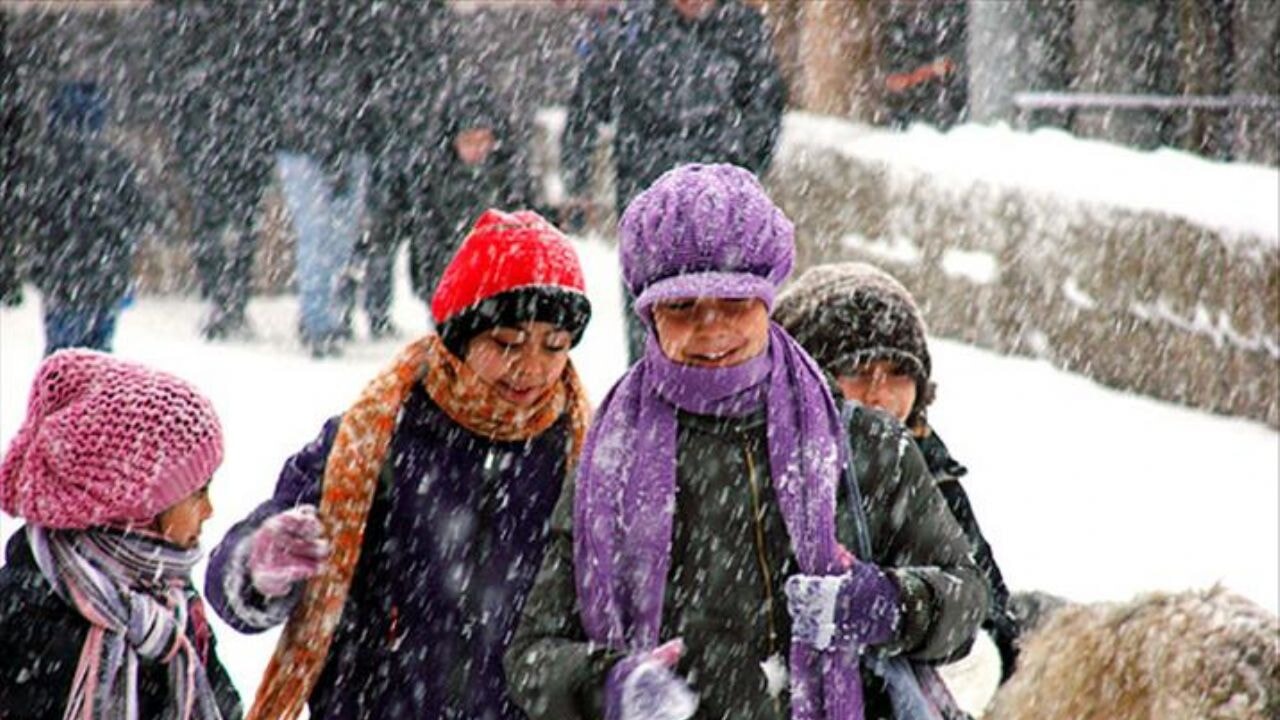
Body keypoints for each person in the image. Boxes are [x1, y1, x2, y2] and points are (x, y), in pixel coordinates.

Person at [505, 164, 986, 720]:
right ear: (649, 314)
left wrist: (888, 605)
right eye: (682, 307)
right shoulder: (611, 460)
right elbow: (532, 655)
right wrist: (610, 684)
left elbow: (968, 602)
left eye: (734, 303)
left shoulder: (862, 443)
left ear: (767, 300)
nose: (711, 329)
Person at [205, 209, 593, 719]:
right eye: (507, 343)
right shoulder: (371, 438)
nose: (533, 367)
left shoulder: (581, 454)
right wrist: (259, 562)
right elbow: (229, 586)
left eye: (556, 346)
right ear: (459, 338)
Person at [773, 261, 1022, 684]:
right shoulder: (769, 464)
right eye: (855, 370)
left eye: (898, 374)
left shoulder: (931, 472)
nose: (879, 394)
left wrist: (898, 609)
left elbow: (987, 612)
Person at [0, 350, 242, 719]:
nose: (210, 511)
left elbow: (220, 701)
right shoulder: (24, 612)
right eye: (198, 493)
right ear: (137, 504)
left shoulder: (174, 602)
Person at [561, 0, 786, 362]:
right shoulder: (631, 27)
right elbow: (586, 104)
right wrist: (577, 181)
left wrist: (745, 170)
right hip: (646, 193)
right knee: (651, 309)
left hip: (721, 202)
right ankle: (651, 389)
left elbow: (766, 102)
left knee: (724, 309)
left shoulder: (741, 27)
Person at [164, 1, 276, 341]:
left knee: (222, 227)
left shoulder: (199, 28)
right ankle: (226, 301)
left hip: (227, 140)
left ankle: (225, 301)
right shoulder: (243, 25)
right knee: (227, 227)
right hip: (227, 138)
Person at [26, 81, 149, 355]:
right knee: (99, 361)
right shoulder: (115, 164)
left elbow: (37, 218)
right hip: (105, 280)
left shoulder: (48, 165)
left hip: (62, 279)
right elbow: (138, 217)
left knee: (62, 360)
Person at [357, 0, 454, 339]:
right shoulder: (427, 19)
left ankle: (383, 309)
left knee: (395, 234)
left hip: (400, 138)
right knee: (408, 233)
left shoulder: (382, 16)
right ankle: (398, 308)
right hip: (401, 138)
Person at [407, 81, 541, 305]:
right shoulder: (434, 176)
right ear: (454, 141)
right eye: (468, 141)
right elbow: (427, 237)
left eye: (483, 140)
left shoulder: (510, 174)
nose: (477, 149)